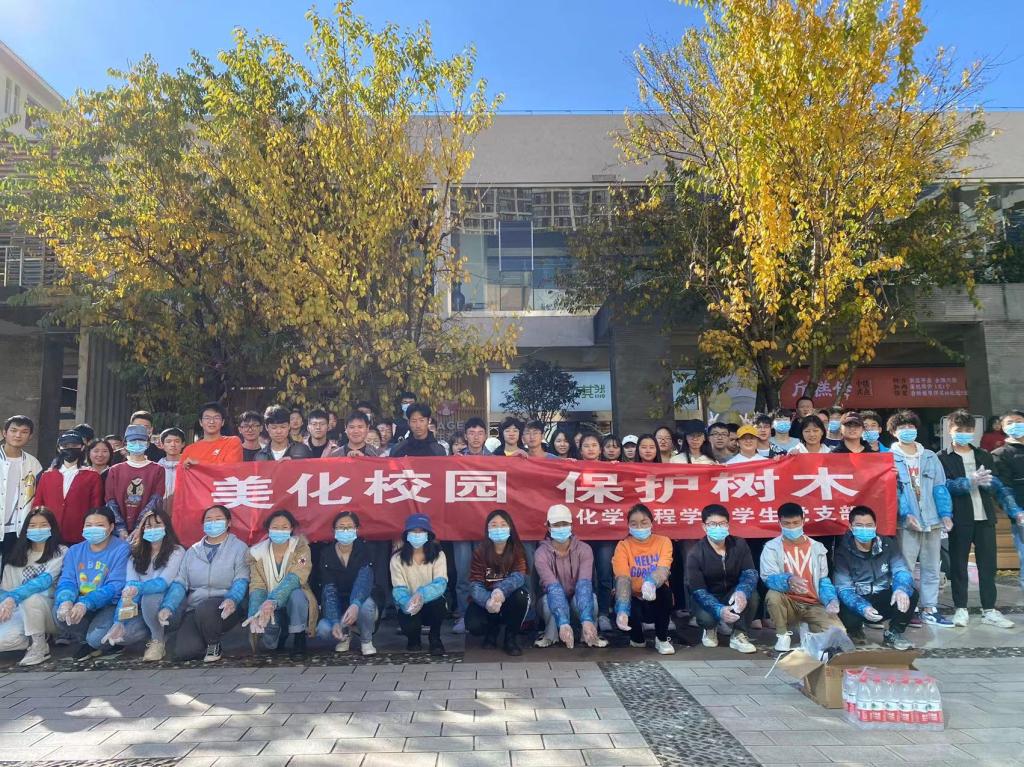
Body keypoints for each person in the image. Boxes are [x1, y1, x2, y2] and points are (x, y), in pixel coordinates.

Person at [940, 410, 1020, 629]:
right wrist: (968, 482)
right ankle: (960, 608)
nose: (964, 433)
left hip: (985, 517)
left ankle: (990, 610)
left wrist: (1014, 510)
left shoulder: (984, 455)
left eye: (968, 430)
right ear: (950, 430)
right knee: (958, 565)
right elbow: (943, 487)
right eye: (959, 430)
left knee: (988, 566)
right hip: (959, 518)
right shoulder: (942, 458)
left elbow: (998, 486)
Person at [888, 409, 954, 627]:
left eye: (911, 427)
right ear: (893, 432)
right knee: (905, 567)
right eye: (902, 427)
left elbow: (940, 487)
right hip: (906, 524)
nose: (908, 431)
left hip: (932, 520)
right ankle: (909, 608)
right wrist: (905, 514)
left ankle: (930, 608)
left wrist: (945, 514)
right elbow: (893, 491)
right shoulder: (889, 458)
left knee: (932, 566)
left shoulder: (930, 456)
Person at [159, 504, 249, 662]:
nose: (213, 523)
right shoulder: (193, 551)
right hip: (195, 608)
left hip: (226, 606)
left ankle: (214, 644)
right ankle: (210, 640)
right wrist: (168, 606)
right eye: (209, 519)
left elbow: (241, 579)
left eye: (218, 519)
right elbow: (180, 583)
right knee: (185, 652)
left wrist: (233, 599)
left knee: (206, 609)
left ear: (228, 522)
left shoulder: (239, 548)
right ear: (203, 524)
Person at [97, 508, 185, 661]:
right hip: (142, 608)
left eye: (158, 525)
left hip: (170, 606)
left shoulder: (177, 551)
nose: (152, 529)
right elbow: (130, 588)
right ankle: (154, 632)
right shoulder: (135, 555)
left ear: (167, 527)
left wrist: (137, 588)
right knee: (122, 635)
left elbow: (162, 583)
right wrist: (119, 621)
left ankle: (157, 641)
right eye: (148, 526)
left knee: (150, 597)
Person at [760, 502, 842, 651]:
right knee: (773, 596)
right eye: (787, 523)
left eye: (796, 523)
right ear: (779, 523)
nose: (792, 527)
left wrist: (831, 600)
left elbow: (823, 580)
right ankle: (783, 635)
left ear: (803, 521)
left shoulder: (817, 548)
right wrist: (788, 580)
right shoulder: (771, 547)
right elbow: (768, 578)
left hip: (813, 603)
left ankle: (812, 630)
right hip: (789, 602)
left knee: (838, 634)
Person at [834, 506, 918, 650]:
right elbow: (843, 588)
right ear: (851, 527)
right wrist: (862, 607)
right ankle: (854, 630)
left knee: (910, 593)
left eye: (869, 525)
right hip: (858, 600)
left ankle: (894, 633)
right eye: (859, 526)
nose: (864, 529)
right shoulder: (842, 551)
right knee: (843, 604)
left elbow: (901, 570)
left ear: (875, 526)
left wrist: (901, 589)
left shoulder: (887, 544)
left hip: (881, 596)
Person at [52, 507, 130, 661]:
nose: (93, 529)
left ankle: (98, 642)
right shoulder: (74, 551)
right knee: (58, 613)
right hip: (81, 603)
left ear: (111, 527)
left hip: (109, 605)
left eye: (100, 525)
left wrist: (85, 603)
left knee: (96, 638)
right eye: (89, 525)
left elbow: (115, 586)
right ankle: (87, 640)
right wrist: (66, 600)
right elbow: (67, 580)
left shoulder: (122, 548)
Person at [243, 510, 318, 660]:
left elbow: (296, 577)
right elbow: (257, 585)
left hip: (288, 601)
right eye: (275, 527)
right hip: (267, 605)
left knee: (297, 595)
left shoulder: (300, 548)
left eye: (284, 527)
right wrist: (255, 612)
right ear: (268, 529)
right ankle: (280, 634)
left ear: (291, 529)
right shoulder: (256, 553)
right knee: (271, 645)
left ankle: (299, 639)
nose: (280, 531)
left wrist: (273, 600)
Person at [685, 504, 758, 654]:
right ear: (704, 527)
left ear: (728, 525)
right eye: (712, 524)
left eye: (722, 523)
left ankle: (739, 634)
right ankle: (710, 629)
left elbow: (750, 573)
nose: (718, 528)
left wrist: (742, 592)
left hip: (731, 593)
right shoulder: (695, 553)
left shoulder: (739, 544)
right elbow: (697, 590)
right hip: (707, 596)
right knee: (707, 618)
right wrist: (719, 610)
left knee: (752, 596)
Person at [0, 507, 67, 665]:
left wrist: (12, 598)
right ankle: (30, 637)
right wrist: (5, 604)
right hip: (18, 612)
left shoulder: (61, 552)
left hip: (50, 610)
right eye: (32, 525)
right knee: (4, 640)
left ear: (52, 527)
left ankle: (39, 645)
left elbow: (43, 582)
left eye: (43, 525)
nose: (38, 529)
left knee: (31, 598)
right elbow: (4, 591)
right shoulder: (17, 556)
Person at [533, 504, 606, 649]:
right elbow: (553, 588)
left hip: (575, 598)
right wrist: (563, 622)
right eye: (556, 525)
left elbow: (584, 584)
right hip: (551, 597)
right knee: (548, 601)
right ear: (549, 527)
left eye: (564, 524)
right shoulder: (541, 553)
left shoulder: (585, 549)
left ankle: (589, 634)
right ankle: (551, 636)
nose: (561, 528)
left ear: (571, 525)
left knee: (592, 599)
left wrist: (586, 619)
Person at [612, 503, 675, 654]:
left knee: (665, 592)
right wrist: (622, 609)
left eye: (644, 522)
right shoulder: (623, 546)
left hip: (656, 595)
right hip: (633, 597)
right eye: (634, 524)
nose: (639, 527)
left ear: (651, 523)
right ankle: (636, 638)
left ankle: (662, 638)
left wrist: (651, 582)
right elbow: (622, 577)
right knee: (621, 597)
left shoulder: (664, 541)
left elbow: (663, 568)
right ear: (628, 526)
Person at [465, 510, 530, 656]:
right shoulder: (480, 552)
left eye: (503, 525)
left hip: (509, 597)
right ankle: (492, 631)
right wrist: (487, 600)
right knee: (473, 624)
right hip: (486, 598)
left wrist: (500, 591)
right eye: (493, 525)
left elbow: (519, 576)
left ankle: (510, 637)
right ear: (487, 529)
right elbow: (475, 583)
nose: (498, 529)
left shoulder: (517, 550)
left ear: (510, 528)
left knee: (521, 597)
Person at [316, 511, 378, 656]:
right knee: (324, 629)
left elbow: (364, 580)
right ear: (334, 530)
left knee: (366, 606)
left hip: (361, 600)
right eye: (341, 527)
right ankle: (344, 636)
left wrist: (355, 604)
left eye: (349, 527)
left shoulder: (365, 549)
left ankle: (366, 640)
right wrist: (334, 621)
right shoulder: (326, 553)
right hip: (339, 602)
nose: (345, 530)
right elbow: (329, 588)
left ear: (357, 529)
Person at [391, 513, 447, 655]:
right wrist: (408, 603)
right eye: (413, 531)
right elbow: (398, 589)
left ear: (428, 534)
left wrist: (421, 594)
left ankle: (435, 638)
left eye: (421, 531)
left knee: (439, 604)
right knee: (409, 625)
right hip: (409, 603)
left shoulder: (439, 555)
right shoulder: (397, 558)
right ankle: (413, 639)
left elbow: (440, 583)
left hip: (431, 602)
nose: (417, 535)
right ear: (406, 535)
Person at [33, 431, 103, 544]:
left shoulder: (92, 476)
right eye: (65, 446)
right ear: (59, 448)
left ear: (82, 447)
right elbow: (38, 503)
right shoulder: (47, 476)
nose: (70, 448)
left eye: (74, 445)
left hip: (79, 534)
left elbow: (96, 506)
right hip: (49, 533)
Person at [105, 424, 165, 537]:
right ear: (126, 444)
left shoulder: (158, 469)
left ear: (147, 444)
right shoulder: (115, 470)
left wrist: (140, 526)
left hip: (146, 527)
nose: (137, 444)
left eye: (141, 441)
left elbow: (156, 499)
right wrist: (120, 528)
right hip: (119, 531)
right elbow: (110, 500)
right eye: (133, 441)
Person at [1, 415, 42, 564]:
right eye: (13, 430)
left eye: (24, 432)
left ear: (30, 436)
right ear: (4, 433)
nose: (18, 435)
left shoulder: (34, 464)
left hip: (18, 529)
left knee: (11, 570)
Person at [993, 410, 1024, 593]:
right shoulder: (1000, 454)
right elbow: (1003, 488)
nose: (1015, 425)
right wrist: (1016, 512)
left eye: (1019, 421)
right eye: (1010, 422)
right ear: (1002, 427)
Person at [158, 427, 185, 511]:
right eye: (168, 441)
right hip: (160, 513)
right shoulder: (156, 469)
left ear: (183, 444)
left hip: (183, 511)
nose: (173, 445)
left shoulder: (189, 468)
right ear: (162, 445)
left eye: (177, 441)